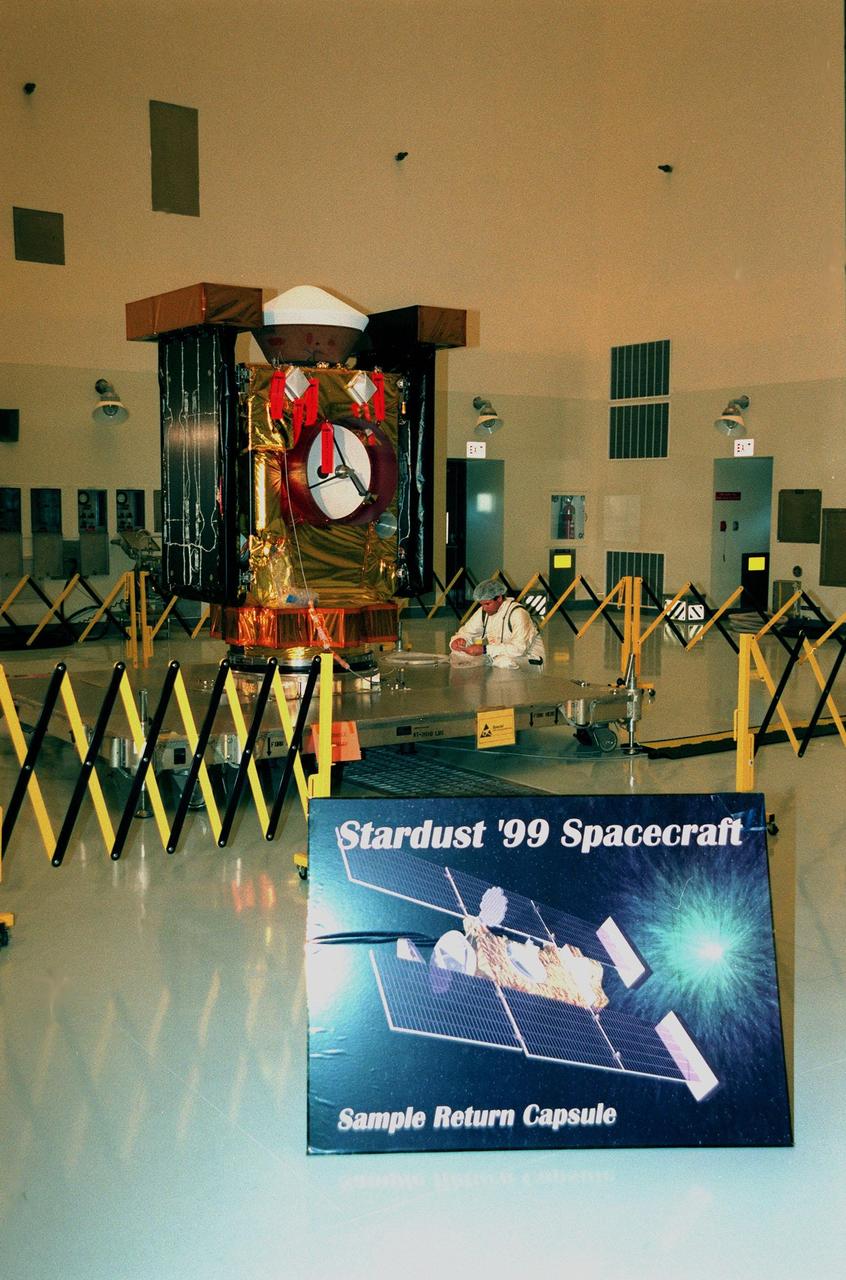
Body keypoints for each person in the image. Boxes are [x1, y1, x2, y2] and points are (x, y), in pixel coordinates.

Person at [449, 578, 545, 667]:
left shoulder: (518, 613)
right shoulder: (484, 611)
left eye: (487, 604)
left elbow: (519, 649)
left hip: (528, 658)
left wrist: (484, 649)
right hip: (498, 654)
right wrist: (460, 640)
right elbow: (466, 632)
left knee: (503, 662)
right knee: (459, 652)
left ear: (499, 598)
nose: (484, 608)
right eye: (481, 604)